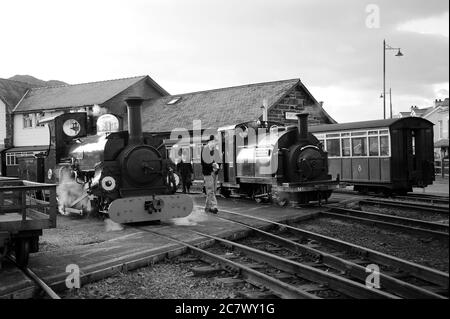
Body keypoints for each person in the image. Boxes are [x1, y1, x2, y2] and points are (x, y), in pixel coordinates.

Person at [201, 135, 219, 214]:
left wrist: (218, 166)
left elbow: (219, 159)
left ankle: (207, 207)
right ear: (210, 142)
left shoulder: (215, 150)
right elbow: (204, 162)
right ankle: (214, 206)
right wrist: (213, 164)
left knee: (212, 190)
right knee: (210, 190)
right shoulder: (205, 150)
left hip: (214, 172)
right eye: (215, 142)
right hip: (208, 173)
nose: (215, 143)